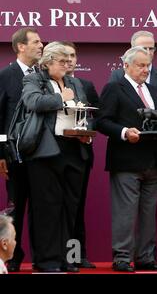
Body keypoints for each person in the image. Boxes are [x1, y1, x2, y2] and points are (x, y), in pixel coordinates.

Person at [20, 42, 92, 272]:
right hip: (46, 152)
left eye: (68, 61)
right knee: (47, 209)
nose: (67, 64)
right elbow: (32, 102)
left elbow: (85, 110)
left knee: (70, 209)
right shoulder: (34, 80)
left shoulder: (75, 82)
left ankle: (67, 258)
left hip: (74, 151)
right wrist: (61, 98)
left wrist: (86, 132)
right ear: (47, 62)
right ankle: (46, 260)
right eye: (61, 61)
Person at [96, 46, 157, 272]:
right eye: (140, 65)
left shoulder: (155, 90)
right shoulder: (114, 88)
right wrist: (125, 132)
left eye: (148, 65)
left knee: (149, 213)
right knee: (125, 213)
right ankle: (122, 258)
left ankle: (146, 257)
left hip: (154, 161)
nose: (146, 69)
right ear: (126, 66)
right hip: (126, 160)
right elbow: (102, 121)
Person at [0, 27, 43, 272]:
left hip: (41, 155)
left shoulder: (43, 76)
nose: (41, 45)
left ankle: (41, 256)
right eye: (36, 42)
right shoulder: (5, 76)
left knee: (41, 208)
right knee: (15, 207)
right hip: (13, 156)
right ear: (21, 47)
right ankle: (12, 257)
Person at [59, 41, 99, 269]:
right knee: (57, 208)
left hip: (81, 154)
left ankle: (76, 256)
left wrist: (87, 130)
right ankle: (57, 256)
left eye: (73, 55)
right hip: (54, 156)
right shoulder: (46, 85)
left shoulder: (86, 84)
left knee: (76, 208)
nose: (70, 60)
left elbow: (97, 115)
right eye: (65, 56)